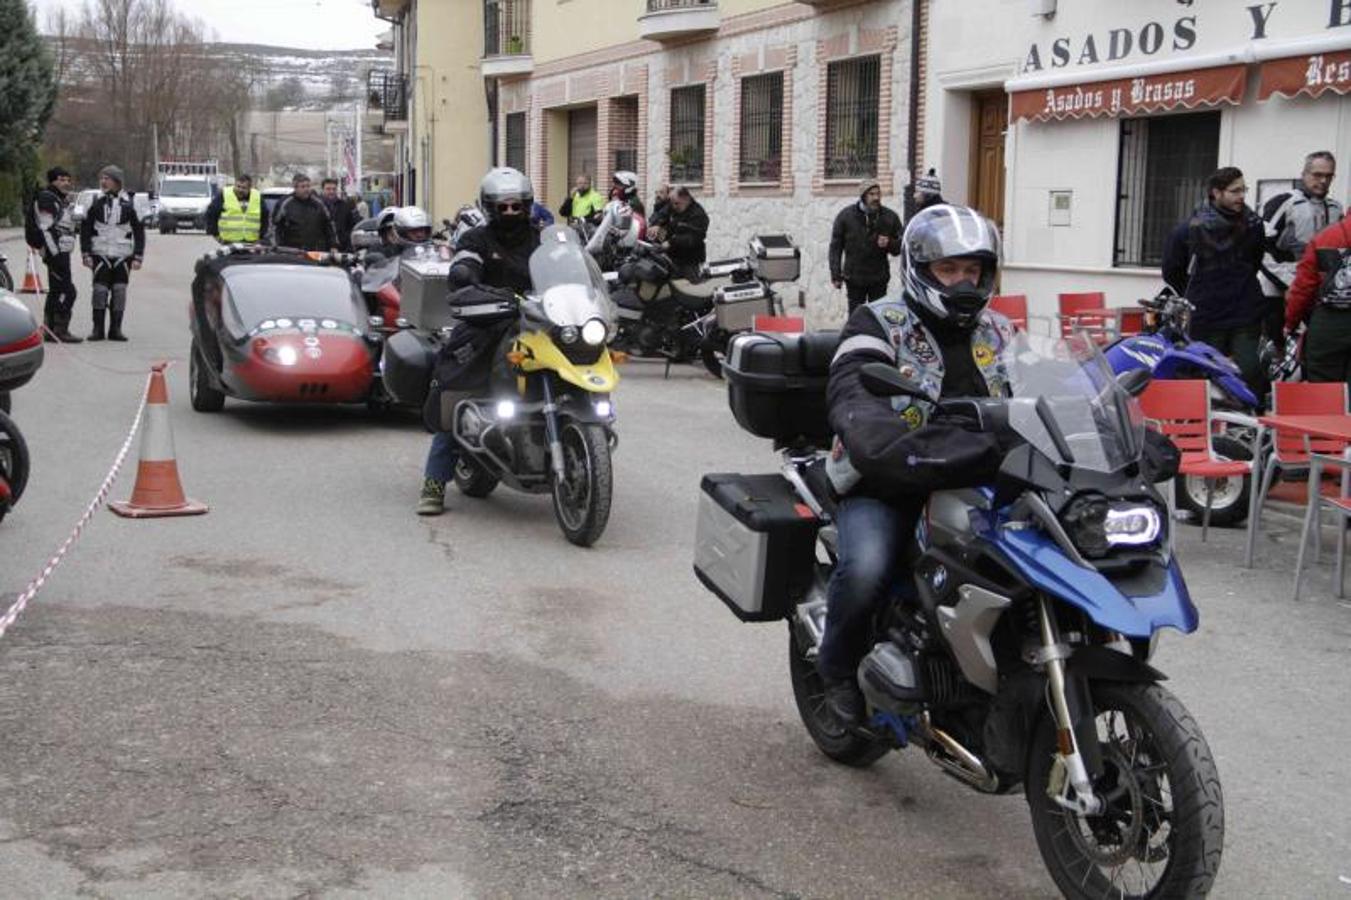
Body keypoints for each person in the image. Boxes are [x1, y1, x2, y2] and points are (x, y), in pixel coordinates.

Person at [817, 204, 1014, 724]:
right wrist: (879, 438)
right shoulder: (879, 321)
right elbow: (853, 386)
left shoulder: (1001, 331)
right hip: (888, 477)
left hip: (982, 477)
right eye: (950, 270)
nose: (964, 281)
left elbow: (1045, 386)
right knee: (866, 569)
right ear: (921, 270)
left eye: (972, 270)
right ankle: (836, 670)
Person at [418, 168, 541, 515]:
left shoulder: (542, 238)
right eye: (503, 208)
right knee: (455, 390)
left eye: (517, 206)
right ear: (490, 208)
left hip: (539, 322)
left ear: (528, 205)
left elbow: (568, 264)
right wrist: (465, 278)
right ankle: (434, 484)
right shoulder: (476, 239)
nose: (511, 213)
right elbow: (463, 267)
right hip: (486, 321)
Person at [1161, 166, 1266, 398]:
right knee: (1206, 371)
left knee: (1250, 369)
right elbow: (1172, 270)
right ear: (1216, 193)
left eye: (1243, 190)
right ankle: (1207, 421)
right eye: (1235, 191)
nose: (1241, 196)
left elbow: (1255, 261)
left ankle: (1250, 421)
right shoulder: (1189, 229)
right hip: (1206, 312)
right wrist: (1198, 292)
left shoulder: (1254, 225)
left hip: (1244, 310)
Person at [1262, 151, 1343, 342]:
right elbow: (1261, 249)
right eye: (1317, 175)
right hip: (1278, 290)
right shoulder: (1284, 202)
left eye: (1328, 176)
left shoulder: (1336, 208)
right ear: (1304, 174)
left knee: (1316, 344)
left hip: (1315, 291)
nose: (1323, 180)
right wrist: (1288, 283)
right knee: (1277, 349)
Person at [79, 165, 145, 342]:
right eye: (101, 178)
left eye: (107, 178)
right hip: (99, 253)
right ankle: (97, 329)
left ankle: (116, 329)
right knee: (99, 291)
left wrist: (138, 256)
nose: (103, 181)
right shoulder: (94, 201)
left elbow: (139, 231)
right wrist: (85, 253)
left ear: (117, 181)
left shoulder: (131, 202)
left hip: (123, 255)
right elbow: (85, 229)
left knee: (119, 290)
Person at [1284, 215, 1351, 387]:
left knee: (1324, 387)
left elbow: (1303, 288)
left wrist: (1290, 323)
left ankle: (1327, 413)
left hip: (1328, 324)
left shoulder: (1324, 237)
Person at [829, 179, 903, 313]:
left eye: (878, 194)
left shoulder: (890, 217)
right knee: (856, 318)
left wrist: (889, 243)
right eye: (871, 194)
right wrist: (835, 275)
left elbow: (901, 246)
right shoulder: (845, 216)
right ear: (863, 196)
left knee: (879, 317)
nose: (876, 198)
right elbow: (835, 247)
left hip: (879, 279)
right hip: (854, 278)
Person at [28, 166, 82, 343]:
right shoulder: (47, 199)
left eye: (68, 180)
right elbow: (46, 230)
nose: (66, 183)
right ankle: (60, 330)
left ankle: (49, 330)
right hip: (55, 253)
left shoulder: (59, 199)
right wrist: (55, 255)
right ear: (53, 181)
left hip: (61, 251)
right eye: (62, 179)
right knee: (68, 291)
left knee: (56, 290)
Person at [647, 186, 708, 277]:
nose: (674, 206)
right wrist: (657, 225)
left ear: (686, 198)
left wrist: (671, 242)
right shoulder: (674, 205)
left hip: (690, 262)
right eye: (673, 203)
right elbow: (661, 214)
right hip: (670, 257)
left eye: (677, 203)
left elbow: (692, 238)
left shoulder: (698, 215)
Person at [269, 173, 337, 252]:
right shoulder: (285, 203)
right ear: (295, 188)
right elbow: (274, 226)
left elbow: (329, 224)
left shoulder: (319, 203)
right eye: (303, 186)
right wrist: (276, 245)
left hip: (315, 251)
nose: (306, 189)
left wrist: (334, 245)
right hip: (291, 251)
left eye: (308, 186)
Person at [205, 173, 268, 244]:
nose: (240, 190)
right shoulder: (224, 194)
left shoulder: (257, 197)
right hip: (228, 241)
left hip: (251, 242)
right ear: (234, 185)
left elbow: (264, 218)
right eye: (238, 186)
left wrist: (261, 236)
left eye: (244, 188)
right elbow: (211, 214)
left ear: (250, 188)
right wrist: (215, 234)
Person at [320, 177, 360, 251]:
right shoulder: (317, 206)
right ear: (323, 190)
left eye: (334, 189)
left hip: (342, 248)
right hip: (322, 248)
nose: (331, 191)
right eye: (328, 189)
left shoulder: (344, 206)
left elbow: (351, 226)